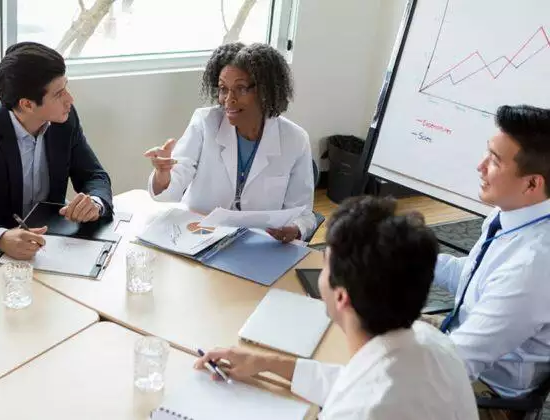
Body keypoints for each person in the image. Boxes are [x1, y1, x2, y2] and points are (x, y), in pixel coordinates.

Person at [196, 196, 477, 419]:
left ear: (341, 298)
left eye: (324, 265)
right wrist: (265, 363)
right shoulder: (432, 341)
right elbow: (356, 382)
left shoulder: (361, 411)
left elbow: (363, 396)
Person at [0, 42, 113, 260]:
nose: (70, 99)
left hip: (50, 245)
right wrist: (0, 237)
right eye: (59, 94)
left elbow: (93, 175)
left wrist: (95, 202)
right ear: (27, 105)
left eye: (66, 87)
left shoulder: (64, 122)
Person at [431, 105, 550, 418]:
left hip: (488, 394)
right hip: (459, 344)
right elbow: (476, 280)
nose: (480, 166)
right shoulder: (508, 214)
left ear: (531, 184)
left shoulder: (533, 265)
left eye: (495, 161)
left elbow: (455, 364)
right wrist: (413, 256)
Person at [144, 42, 315, 242]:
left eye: (240, 89)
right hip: (199, 237)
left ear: (266, 90)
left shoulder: (295, 140)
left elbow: (304, 214)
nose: (228, 99)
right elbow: (170, 191)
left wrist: (295, 229)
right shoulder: (205, 123)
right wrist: (163, 174)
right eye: (223, 89)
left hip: (256, 244)